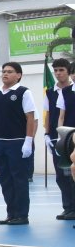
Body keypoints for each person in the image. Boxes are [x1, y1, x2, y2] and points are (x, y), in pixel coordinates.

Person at [0, 62, 37, 225]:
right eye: (3, 71)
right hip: (0, 143)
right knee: (5, 180)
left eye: (9, 71)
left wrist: (28, 141)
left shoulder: (24, 92)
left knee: (19, 179)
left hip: (17, 142)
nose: (5, 74)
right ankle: (11, 213)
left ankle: (22, 215)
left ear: (19, 75)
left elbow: (31, 117)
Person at [49, 58, 75, 220]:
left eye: (63, 70)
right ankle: (69, 207)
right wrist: (60, 136)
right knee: (64, 175)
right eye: (74, 72)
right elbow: (61, 117)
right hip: (69, 138)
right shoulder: (64, 93)